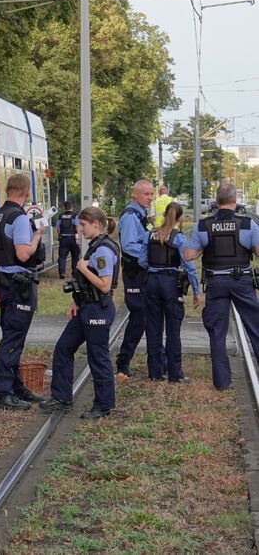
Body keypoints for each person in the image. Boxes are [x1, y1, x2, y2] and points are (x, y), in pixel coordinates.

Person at [40, 207, 119, 419]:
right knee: (63, 347)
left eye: (83, 225)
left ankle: (103, 405)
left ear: (96, 224)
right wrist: (78, 301)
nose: (80, 229)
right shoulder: (94, 246)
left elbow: (104, 285)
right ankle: (61, 397)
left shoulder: (102, 250)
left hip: (98, 309)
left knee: (98, 356)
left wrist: (83, 269)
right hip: (86, 307)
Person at [184, 182, 259, 390]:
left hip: (216, 283)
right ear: (235, 201)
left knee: (217, 331)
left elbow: (188, 255)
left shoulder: (203, 225)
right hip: (242, 281)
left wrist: (203, 250)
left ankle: (222, 382)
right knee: (255, 327)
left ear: (216, 201)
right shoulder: (247, 224)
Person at [0, 173, 47, 411]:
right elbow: (23, 254)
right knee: (13, 338)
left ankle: (16, 386)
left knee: (12, 335)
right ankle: (4, 394)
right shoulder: (19, 219)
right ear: (27, 193)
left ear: (7, 190)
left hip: (4, 280)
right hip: (20, 284)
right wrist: (37, 235)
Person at [139, 202, 201, 382]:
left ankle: (155, 372)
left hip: (151, 283)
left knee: (153, 328)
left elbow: (142, 261)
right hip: (171, 284)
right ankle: (175, 374)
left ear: (164, 214)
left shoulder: (149, 235)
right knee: (173, 330)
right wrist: (196, 291)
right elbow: (189, 266)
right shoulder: (179, 238)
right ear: (179, 218)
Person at [114, 179, 155, 378]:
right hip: (134, 273)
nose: (150, 198)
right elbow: (129, 246)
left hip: (142, 272)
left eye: (151, 194)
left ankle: (142, 360)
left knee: (144, 316)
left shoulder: (141, 214)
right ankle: (123, 362)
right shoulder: (130, 216)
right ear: (135, 194)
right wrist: (152, 255)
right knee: (139, 316)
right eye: (146, 194)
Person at [56, 201, 79, 279]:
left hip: (63, 239)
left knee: (62, 257)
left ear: (64, 207)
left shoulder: (60, 216)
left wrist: (60, 235)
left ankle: (62, 273)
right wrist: (78, 238)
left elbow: (58, 228)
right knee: (75, 257)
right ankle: (75, 273)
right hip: (73, 239)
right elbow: (77, 227)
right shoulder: (75, 216)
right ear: (72, 207)